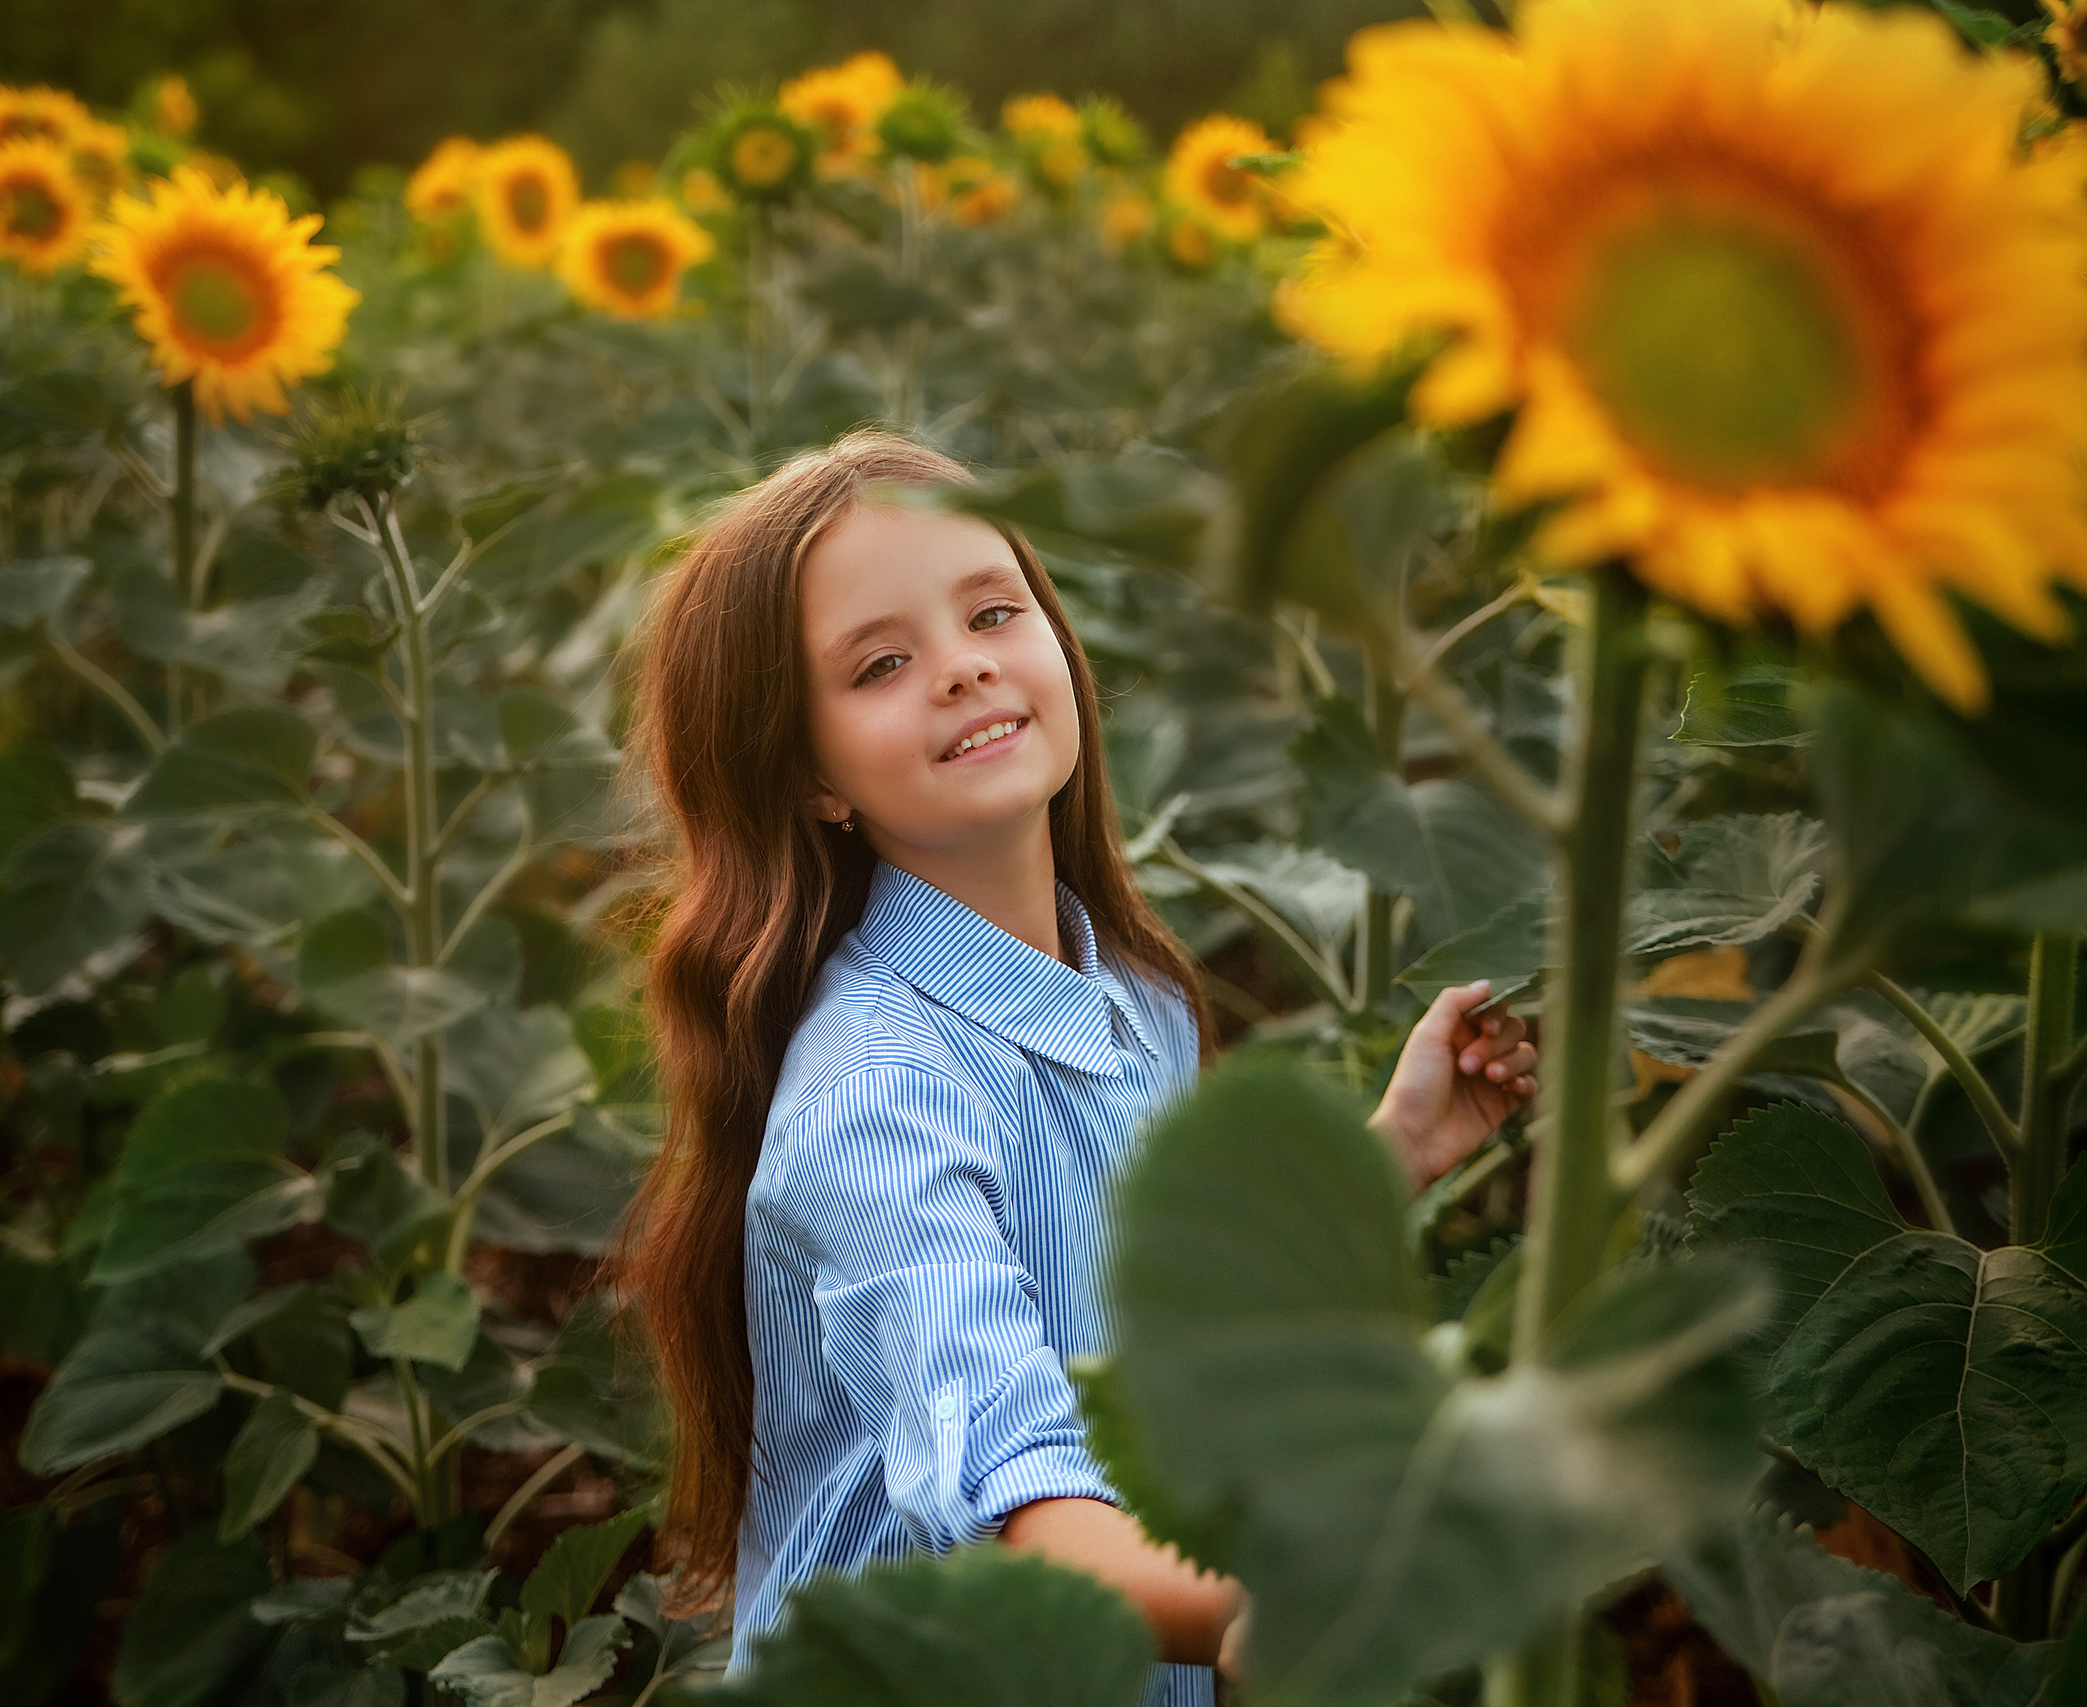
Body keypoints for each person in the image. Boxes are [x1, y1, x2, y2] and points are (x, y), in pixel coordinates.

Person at [616, 431, 1538, 1704]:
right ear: (810, 776)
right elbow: (1027, 1509)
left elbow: (1155, 1323)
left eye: (991, 611)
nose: (963, 667)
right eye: (882, 663)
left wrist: (1398, 1150)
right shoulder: (877, 1096)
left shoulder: (1132, 997)